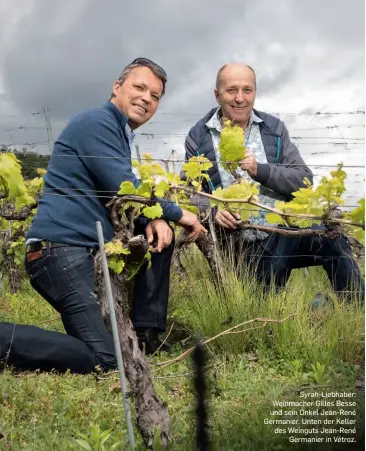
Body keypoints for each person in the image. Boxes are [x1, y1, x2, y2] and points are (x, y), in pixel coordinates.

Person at [0, 57, 206, 374]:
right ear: (117, 87)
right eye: (139, 87)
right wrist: (180, 214)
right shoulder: (97, 123)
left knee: (109, 349)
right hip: (59, 253)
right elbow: (125, 189)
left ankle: (144, 336)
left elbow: (118, 196)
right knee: (106, 360)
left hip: (73, 253)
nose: (146, 98)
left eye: (154, 96)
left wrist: (155, 217)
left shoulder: (117, 131)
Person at [184, 62, 364, 301]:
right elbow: (188, 194)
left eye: (247, 90)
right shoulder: (198, 137)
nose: (240, 98)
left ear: (255, 93)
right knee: (263, 307)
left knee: (332, 238)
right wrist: (213, 211)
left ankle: (358, 311)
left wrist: (261, 170)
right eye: (231, 90)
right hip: (243, 248)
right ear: (217, 95)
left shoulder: (274, 129)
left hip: (285, 232)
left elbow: (303, 178)